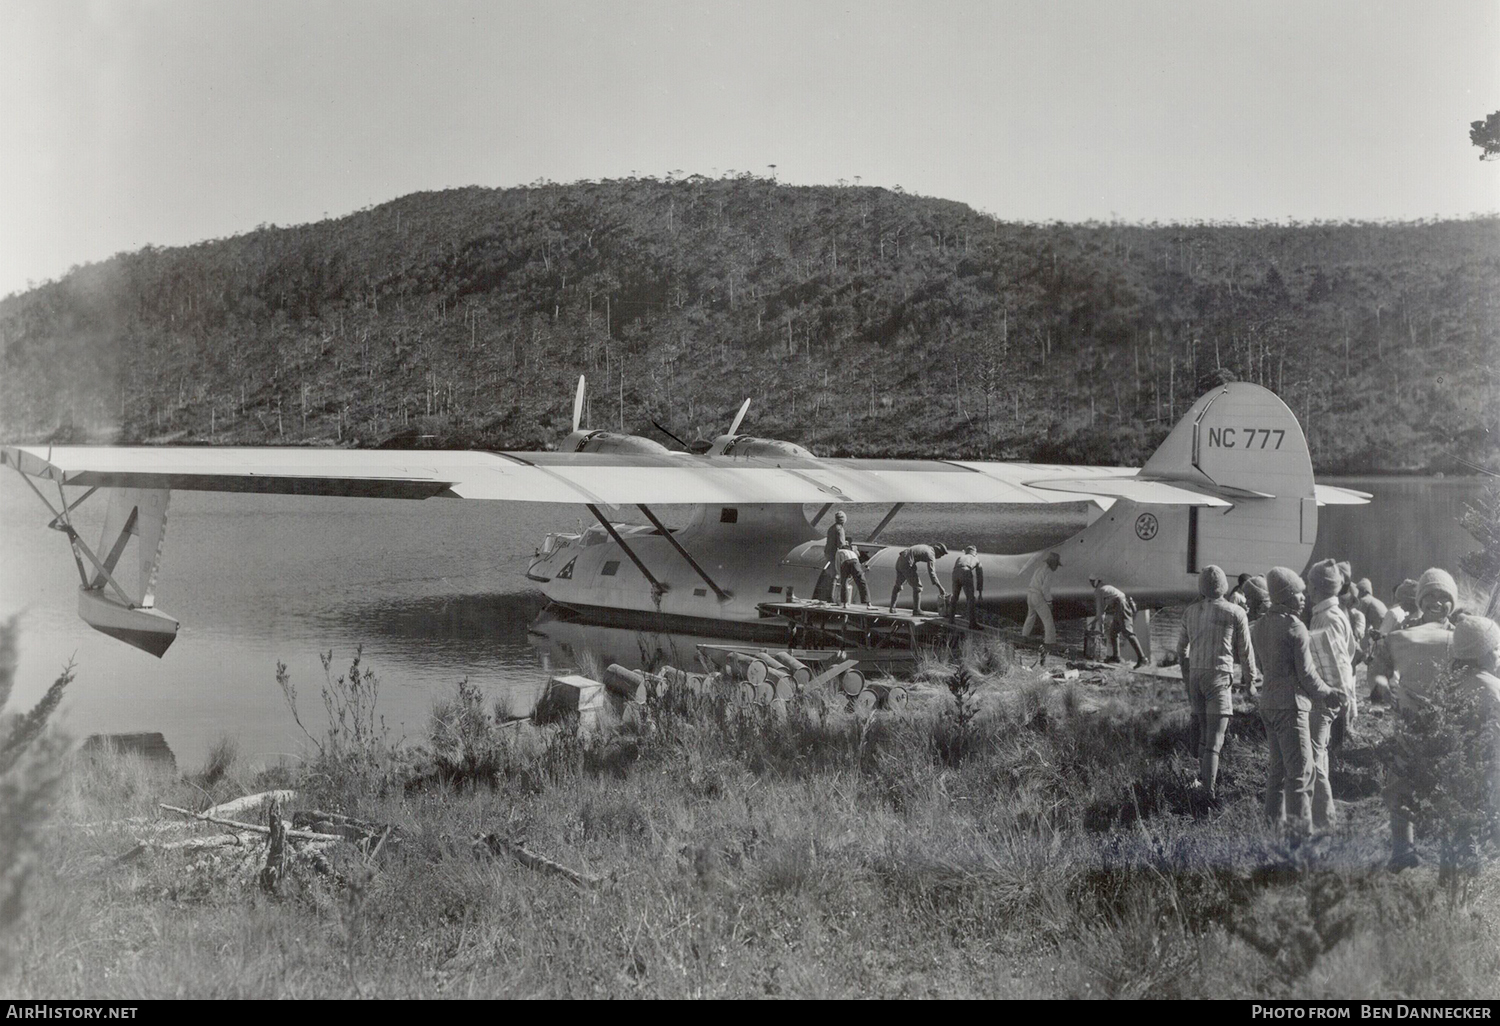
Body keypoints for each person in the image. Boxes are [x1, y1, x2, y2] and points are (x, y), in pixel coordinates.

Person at [1370, 567, 1458, 869]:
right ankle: (1402, 850)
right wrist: (1383, 686)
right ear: (1420, 600)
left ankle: (1450, 855)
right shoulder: (1402, 634)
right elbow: (1378, 669)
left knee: (1450, 787)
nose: (1437, 602)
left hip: (1447, 723)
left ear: (1453, 603)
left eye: (1444, 598)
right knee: (1400, 783)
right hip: (1408, 720)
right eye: (1430, 595)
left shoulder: (1461, 635)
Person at [1251, 567, 1344, 836]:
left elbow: (1261, 666)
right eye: (1298, 593)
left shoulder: (1259, 627)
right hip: (1291, 706)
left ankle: (1271, 832)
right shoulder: (1295, 627)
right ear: (1285, 597)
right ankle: (1299, 841)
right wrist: (1328, 693)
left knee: (1277, 772)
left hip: (1268, 702)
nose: (1304, 598)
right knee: (1301, 775)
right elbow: (1307, 676)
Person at [1176, 565, 1258, 797]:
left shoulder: (1190, 612)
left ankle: (1202, 782)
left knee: (1204, 732)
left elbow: (1181, 649)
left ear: (1201, 587)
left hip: (1196, 675)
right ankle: (1208, 795)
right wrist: (1250, 680)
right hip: (1219, 675)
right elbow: (1245, 651)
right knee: (1215, 739)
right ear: (1223, 587)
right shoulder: (1235, 612)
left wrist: (1186, 674)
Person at [1306, 559, 1358, 827]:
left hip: (1327, 694)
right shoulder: (1337, 613)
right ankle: (1321, 807)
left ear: (1315, 588)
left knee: (1315, 753)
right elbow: (1349, 653)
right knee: (1321, 750)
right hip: (1332, 691)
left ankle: (1324, 817)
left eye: (1309, 585)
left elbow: (1335, 660)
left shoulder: (1325, 617)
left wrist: (1337, 694)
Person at [1089, 575, 1147, 668]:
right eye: (1090, 581)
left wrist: (1099, 626)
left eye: (1092, 581)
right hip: (1119, 606)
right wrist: (1096, 621)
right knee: (1113, 632)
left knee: (1128, 632)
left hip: (1121, 605)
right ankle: (1116, 657)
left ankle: (1142, 658)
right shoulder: (1103, 587)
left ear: (1096, 581)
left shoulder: (1099, 591)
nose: (1091, 583)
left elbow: (1100, 612)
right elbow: (1102, 610)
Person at [889, 542, 948, 614]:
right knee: (918, 587)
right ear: (938, 551)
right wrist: (940, 588)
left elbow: (912, 554)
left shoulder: (926, 547)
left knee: (898, 585)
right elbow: (932, 573)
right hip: (907, 562)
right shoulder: (931, 554)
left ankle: (892, 608)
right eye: (941, 555)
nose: (939, 557)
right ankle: (917, 610)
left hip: (900, 560)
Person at [1021, 551, 1061, 650]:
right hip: (1038, 596)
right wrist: (1049, 602)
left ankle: (1024, 636)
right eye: (1056, 564)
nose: (1056, 567)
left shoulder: (1039, 569)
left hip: (1030, 594)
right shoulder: (1049, 572)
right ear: (1053, 563)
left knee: (1030, 616)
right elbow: (1045, 590)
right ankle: (1049, 642)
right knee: (1048, 619)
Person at [814, 511, 852, 601]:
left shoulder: (831, 528)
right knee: (835, 575)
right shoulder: (840, 529)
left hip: (828, 553)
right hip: (835, 554)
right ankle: (831, 597)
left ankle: (828, 595)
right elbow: (841, 544)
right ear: (844, 520)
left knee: (831, 574)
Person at [948, 545, 984, 628]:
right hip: (965, 572)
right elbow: (980, 577)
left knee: (955, 597)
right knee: (971, 599)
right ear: (975, 553)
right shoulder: (976, 559)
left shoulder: (960, 557)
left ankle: (951, 620)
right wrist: (980, 593)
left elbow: (956, 567)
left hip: (955, 573)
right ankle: (972, 623)